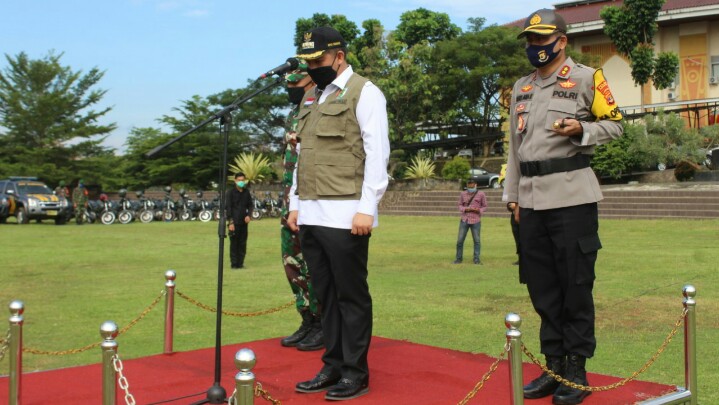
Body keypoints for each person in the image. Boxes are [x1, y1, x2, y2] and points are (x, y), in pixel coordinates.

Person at [502, 9, 623, 405]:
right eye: (531, 41)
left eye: (542, 40)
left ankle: (576, 369)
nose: (536, 47)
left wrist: (583, 130)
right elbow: (515, 150)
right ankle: (553, 367)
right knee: (542, 287)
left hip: (572, 196)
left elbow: (617, 124)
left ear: (562, 41)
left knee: (574, 286)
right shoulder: (521, 88)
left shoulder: (588, 78)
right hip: (532, 201)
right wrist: (513, 198)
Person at [287, 26, 390, 401]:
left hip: (346, 213)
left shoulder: (365, 92)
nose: (313, 67)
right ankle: (332, 364)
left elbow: (377, 153)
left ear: (339, 56)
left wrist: (367, 208)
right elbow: (302, 156)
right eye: (308, 62)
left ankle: (355, 372)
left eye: (319, 60)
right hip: (312, 212)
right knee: (324, 296)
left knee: (351, 295)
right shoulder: (311, 98)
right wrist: (295, 204)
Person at [279, 63, 324, 352]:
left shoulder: (323, 103)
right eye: (288, 84)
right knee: (291, 262)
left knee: (315, 264)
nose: (291, 88)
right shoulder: (295, 112)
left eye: (296, 83)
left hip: (314, 196)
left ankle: (323, 323)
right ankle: (306, 318)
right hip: (291, 199)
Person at [453, 176, 487, 265]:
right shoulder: (463, 194)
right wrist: (465, 209)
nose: (470, 188)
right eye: (469, 185)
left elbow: (484, 206)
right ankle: (458, 259)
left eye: (472, 186)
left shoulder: (481, 194)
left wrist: (478, 210)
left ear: (476, 185)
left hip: (476, 220)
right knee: (460, 241)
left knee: (477, 241)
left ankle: (476, 259)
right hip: (465, 219)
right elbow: (459, 205)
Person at [226, 172, 252, 269]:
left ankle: (240, 263)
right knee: (234, 244)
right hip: (234, 222)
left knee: (242, 243)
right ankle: (234, 264)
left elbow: (250, 205)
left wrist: (249, 215)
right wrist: (231, 222)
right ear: (235, 180)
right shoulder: (230, 193)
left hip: (244, 222)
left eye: (243, 180)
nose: (241, 182)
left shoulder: (246, 192)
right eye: (239, 180)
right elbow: (228, 208)